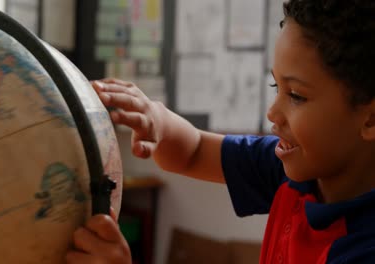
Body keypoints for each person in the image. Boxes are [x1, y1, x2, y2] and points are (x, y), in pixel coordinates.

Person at [66, 0, 375, 263]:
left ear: (370, 119)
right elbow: (194, 152)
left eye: (296, 95)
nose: (273, 112)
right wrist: (157, 120)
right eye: (275, 86)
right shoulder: (294, 171)